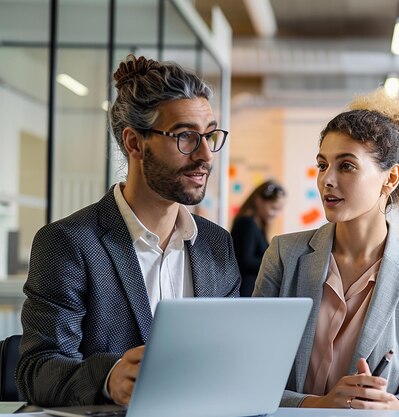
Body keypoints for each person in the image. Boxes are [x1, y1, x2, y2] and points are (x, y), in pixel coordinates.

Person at [16, 55, 241, 406]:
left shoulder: (216, 244)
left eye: (209, 136)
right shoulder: (69, 243)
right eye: (185, 137)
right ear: (135, 143)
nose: (206, 156)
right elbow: (37, 369)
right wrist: (109, 378)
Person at [253, 88, 399, 411]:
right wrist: (317, 404)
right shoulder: (285, 255)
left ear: (390, 178)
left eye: (346, 166)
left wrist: (393, 406)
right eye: (322, 165)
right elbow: (251, 371)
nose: (327, 180)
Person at [231, 180, 286, 297]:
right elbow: (245, 261)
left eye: (279, 210)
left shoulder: (258, 225)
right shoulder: (247, 223)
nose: (275, 214)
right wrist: (277, 262)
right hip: (245, 290)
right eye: (273, 208)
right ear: (259, 201)